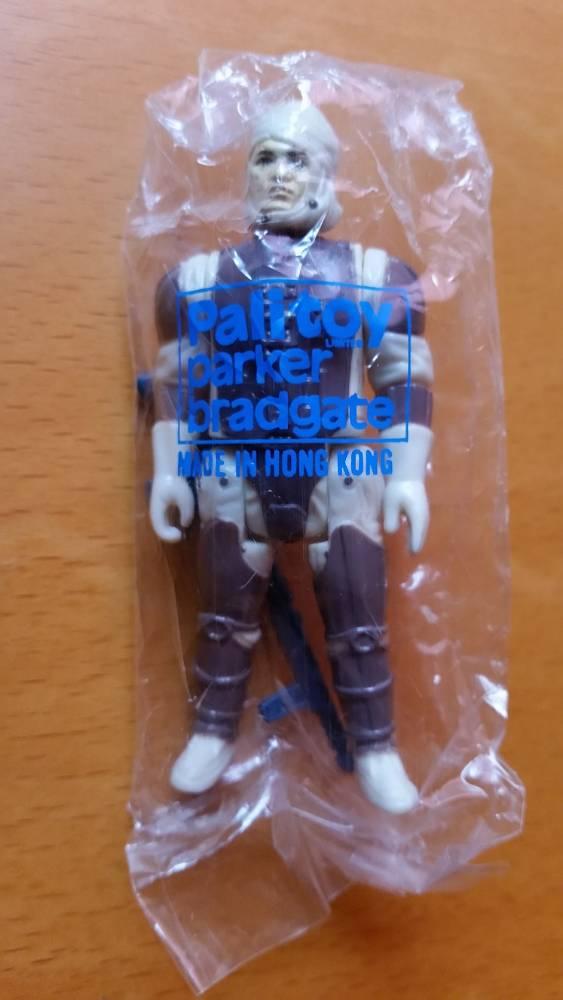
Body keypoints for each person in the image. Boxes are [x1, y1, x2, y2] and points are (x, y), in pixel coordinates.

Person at [149, 102, 434, 814]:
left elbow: (404, 377)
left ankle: (375, 745)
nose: (279, 173)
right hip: (233, 466)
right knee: (224, 609)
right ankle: (212, 730)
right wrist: (170, 470)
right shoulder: (196, 279)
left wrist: (406, 474)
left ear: (324, 172)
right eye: (265, 157)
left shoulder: (374, 273)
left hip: (337, 469)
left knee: (357, 609)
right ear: (247, 172)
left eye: (296, 159)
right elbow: (178, 381)